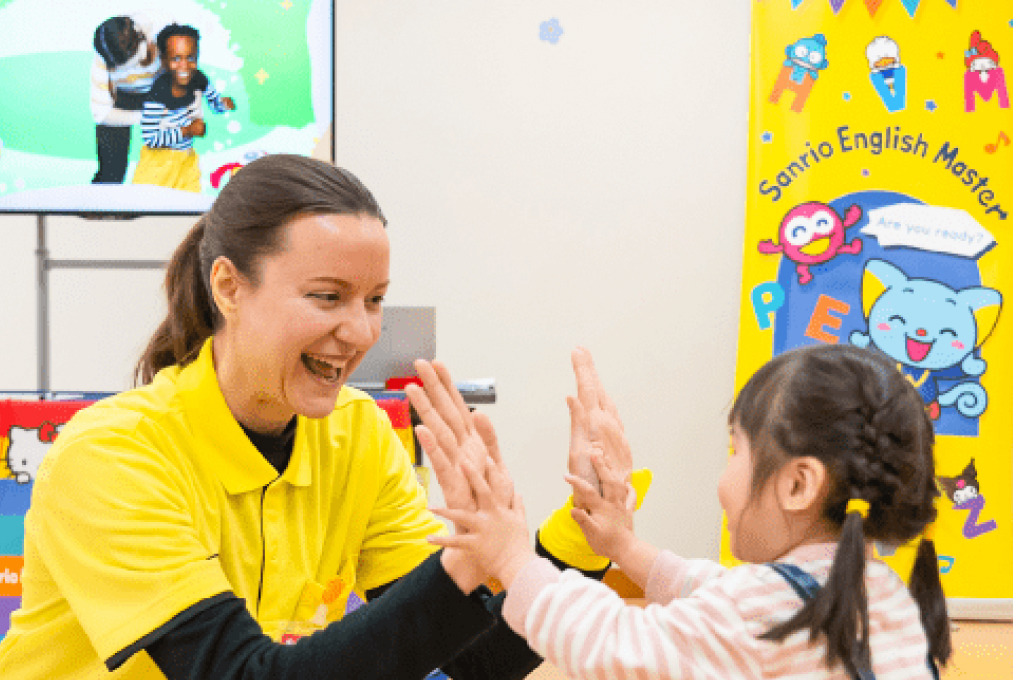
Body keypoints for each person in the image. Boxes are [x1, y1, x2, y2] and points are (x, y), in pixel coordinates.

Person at [0, 155, 644, 679]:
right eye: (328, 297)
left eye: (375, 300)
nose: (359, 331)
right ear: (228, 287)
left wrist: (581, 532)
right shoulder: (111, 456)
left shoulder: (357, 434)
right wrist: (464, 566)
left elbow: (483, 662)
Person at [419, 343, 951, 680]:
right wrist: (624, 547)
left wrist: (513, 559)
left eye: (736, 451)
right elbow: (716, 589)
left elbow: (616, 646)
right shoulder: (875, 594)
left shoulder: (762, 612)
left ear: (797, 484)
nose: (725, 476)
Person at [132, 24, 236, 193]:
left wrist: (223, 104)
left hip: (187, 160)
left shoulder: (199, 79)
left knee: (189, 203)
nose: (184, 65)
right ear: (164, 60)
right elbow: (150, 138)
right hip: (157, 164)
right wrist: (187, 131)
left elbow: (214, 104)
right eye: (176, 58)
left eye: (191, 57)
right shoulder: (157, 94)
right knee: (150, 203)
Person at [90, 14, 166, 184]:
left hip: (161, 89)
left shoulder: (163, 31)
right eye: (120, 68)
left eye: (132, 63)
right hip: (121, 94)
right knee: (110, 173)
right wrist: (145, 117)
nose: (127, 71)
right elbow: (101, 114)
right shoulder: (103, 56)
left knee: (170, 162)